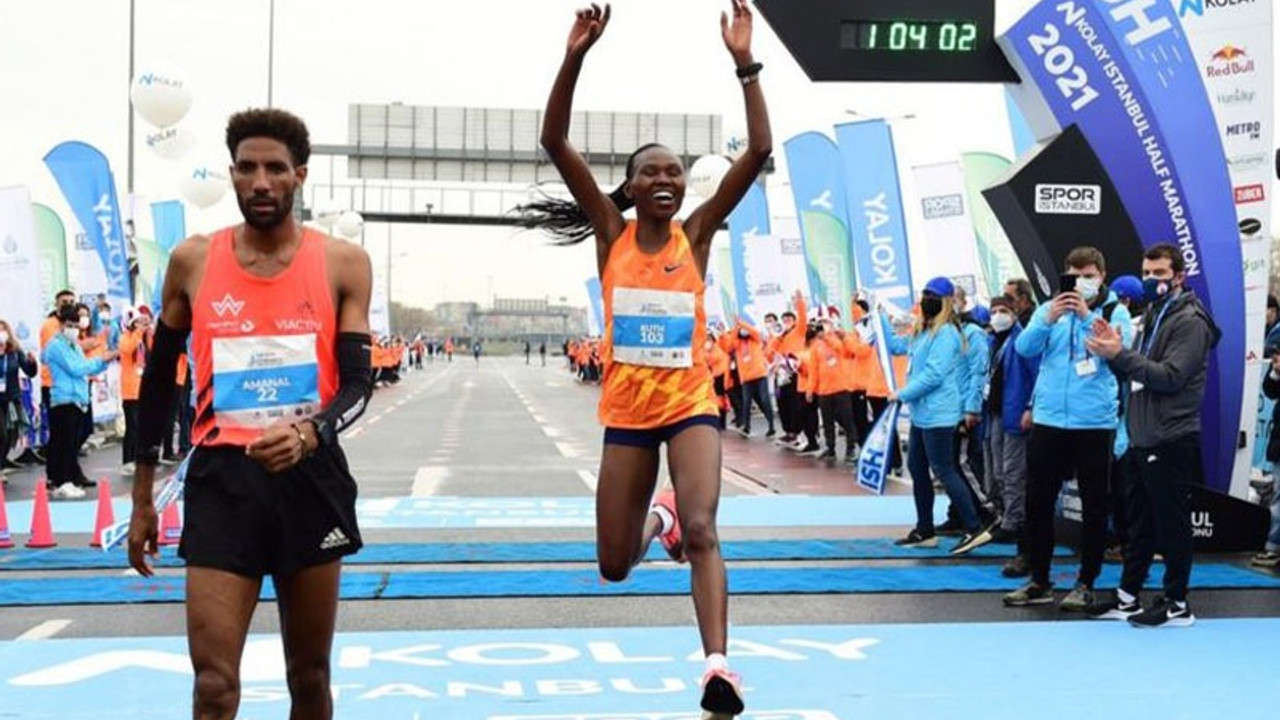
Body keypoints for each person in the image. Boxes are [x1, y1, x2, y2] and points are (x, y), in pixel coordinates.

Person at [517, 2, 769, 714]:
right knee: (613, 565)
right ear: (629, 189)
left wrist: (744, 65)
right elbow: (553, 138)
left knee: (705, 527)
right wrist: (576, 55)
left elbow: (756, 153)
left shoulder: (699, 230)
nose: (666, 179)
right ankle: (654, 521)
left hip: (690, 402)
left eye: (675, 172)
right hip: (627, 411)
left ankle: (719, 668)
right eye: (651, 173)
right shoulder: (610, 232)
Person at [126, 108, 373, 720]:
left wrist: (311, 432)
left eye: (275, 169)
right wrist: (142, 497)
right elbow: (157, 384)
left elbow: (360, 382)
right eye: (246, 169)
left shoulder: (343, 263)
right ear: (231, 176)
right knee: (214, 686)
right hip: (222, 483)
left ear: (301, 176)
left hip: (309, 479)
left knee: (309, 679)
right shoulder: (193, 261)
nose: (260, 181)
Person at [1085, 244, 1218, 628]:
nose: (1151, 279)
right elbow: (1134, 373)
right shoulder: (1152, 315)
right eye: (1147, 271)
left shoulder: (1190, 321)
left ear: (1179, 276)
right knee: (1139, 522)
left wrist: (1119, 355)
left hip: (1170, 435)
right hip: (1142, 433)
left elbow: (1170, 376)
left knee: (1171, 523)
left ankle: (1177, 602)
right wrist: (1115, 353)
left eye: (1159, 273)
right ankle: (1128, 595)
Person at [1004, 246, 1132, 610]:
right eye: (1076, 277)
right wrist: (1047, 317)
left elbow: (1121, 351)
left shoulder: (1114, 311)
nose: (1082, 283)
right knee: (1038, 500)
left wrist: (1088, 315)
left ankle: (1086, 581)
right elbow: (1025, 348)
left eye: (1089, 276)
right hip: (1049, 419)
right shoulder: (1050, 309)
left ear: (1102, 276)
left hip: (1094, 421)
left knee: (1095, 503)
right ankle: (1039, 580)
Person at [885, 277, 996, 555]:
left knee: (945, 469)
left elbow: (934, 374)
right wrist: (880, 320)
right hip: (922, 413)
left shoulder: (947, 334)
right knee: (918, 468)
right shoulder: (924, 331)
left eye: (931, 295)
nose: (926, 299)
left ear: (945, 301)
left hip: (939, 413)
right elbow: (900, 350)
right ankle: (925, 529)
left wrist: (903, 393)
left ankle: (974, 526)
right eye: (924, 294)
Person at [982, 296, 1040, 576]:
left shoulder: (1022, 340)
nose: (997, 316)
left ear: (1015, 313)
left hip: (1015, 413)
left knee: (1013, 470)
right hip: (995, 412)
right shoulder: (994, 341)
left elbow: (1035, 374)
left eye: (1003, 311)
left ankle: (1014, 521)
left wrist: (1030, 406)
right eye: (994, 311)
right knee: (997, 470)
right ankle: (1006, 514)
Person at [43, 304, 117, 498]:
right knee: (64, 442)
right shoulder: (56, 346)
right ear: (61, 324)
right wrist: (101, 360)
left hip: (78, 398)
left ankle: (67, 477)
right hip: (64, 398)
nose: (74, 328)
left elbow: (86, 367)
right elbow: (76, 368)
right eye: (70, 324)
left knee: (71, 442)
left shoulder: (73, 345)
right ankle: (61, 480)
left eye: (76, 325)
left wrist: (103, 361)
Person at [0, 320, 38, 478]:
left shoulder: (15, 351)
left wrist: (32, 362)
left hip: (11, 399)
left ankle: (1, 465)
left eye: (3, 330)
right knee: (1, 433)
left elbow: (29, 372)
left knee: (10, 435)